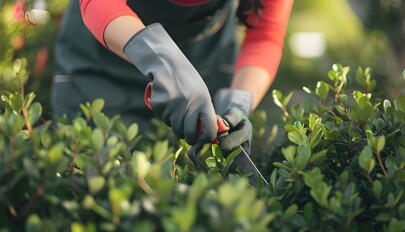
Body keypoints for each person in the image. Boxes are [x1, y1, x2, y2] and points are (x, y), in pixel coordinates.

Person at [52, 0, 294, 152]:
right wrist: (161, 61)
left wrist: (239, 101)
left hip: (204, 56)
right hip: (101, 63)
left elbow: (265, 33)